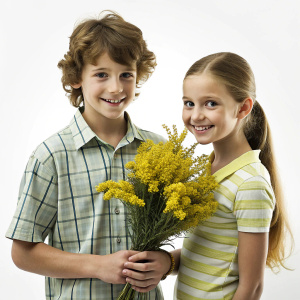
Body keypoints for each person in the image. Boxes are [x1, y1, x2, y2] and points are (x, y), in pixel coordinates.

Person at [5, 11, 172, 300]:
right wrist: (98, 266)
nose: (116, 87)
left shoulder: (158, 151)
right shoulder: (52, 155)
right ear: (76, 78)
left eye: (126, 75)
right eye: (101, 74)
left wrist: (167, 263)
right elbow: (23, 253)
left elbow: (184, 238)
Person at [170, 52, 293, 299]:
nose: (195, 116)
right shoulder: (211, 166)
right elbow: (210, 250)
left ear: (243, 108)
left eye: (211, 103)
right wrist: (167, 262)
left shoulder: (250, 184)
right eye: (189, 103)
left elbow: (253, 286)